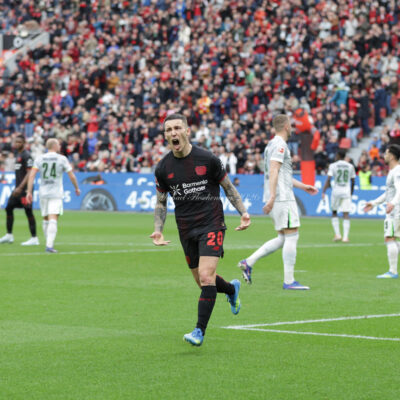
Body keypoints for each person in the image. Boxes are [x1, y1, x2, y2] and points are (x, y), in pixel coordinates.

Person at [150, 113, 251, 347]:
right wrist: (158, 229)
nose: (173, 133)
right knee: (204, 282)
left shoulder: (207, 159)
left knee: (206, 277)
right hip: (186, 229)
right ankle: (231, 289)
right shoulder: (163, 168)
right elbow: (161, 202)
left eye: (177, 128)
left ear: (187, 131)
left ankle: (199, 331)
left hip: (211, 223)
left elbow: (228, 188)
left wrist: (243, 212)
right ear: (165, 135)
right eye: (168, 130)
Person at [238, 114, 318, 289]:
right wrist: (273, 197)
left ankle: (248, 262)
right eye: (291, 125)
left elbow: (282, 174)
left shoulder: (270, 145)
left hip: (277, 195)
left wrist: (303, 186)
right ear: (287, 126)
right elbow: (274, 170)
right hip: (282, 197)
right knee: (292, 235)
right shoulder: (281, 145)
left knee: (283, 237)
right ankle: (289, 281)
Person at [26, 138, 80, 253]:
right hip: (56, 193)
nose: (60, 146)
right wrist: (76, 187)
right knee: (53, 219)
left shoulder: (39, 158)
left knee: (46, 218)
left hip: (43, 192)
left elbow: (32, 175)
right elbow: (71, 175)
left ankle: (48, 242)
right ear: (55, 146)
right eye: (58, 145)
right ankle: (49, 245)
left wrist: (29, 192)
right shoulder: (62, 159)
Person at [364, 145, 400, 279]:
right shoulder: (393, 171)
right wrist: (374, 203)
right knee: (392, 238)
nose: (383, 156)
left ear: (392, 156)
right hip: (396, 208)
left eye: (386, 153)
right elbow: (388, 193)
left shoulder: (397, 171)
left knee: (389, 238)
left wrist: (393, 203)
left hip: (395, 211)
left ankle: (393, 272)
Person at [0, 135, 39, 245]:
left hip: (25, 190)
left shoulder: (27, 155)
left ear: (24, 143)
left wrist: (21, 187)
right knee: (8, 208)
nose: (17, 144)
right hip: (17, 189)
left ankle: (34, 238)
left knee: (28, 211)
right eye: (15, 142)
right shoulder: (18, 155)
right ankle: (9, 235)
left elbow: (30, 172)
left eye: (19, 142)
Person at [321, 149, 356, 242]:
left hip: (336, 191)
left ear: (338, 156)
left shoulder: (333, 165)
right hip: (346, 191)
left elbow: (328, 179)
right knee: (346, 213)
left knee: (334, 212)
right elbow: (353, 181)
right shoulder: (350, 166)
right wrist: (351, 193)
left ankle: (337, 235)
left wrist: (323, 191)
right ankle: (345, 237)